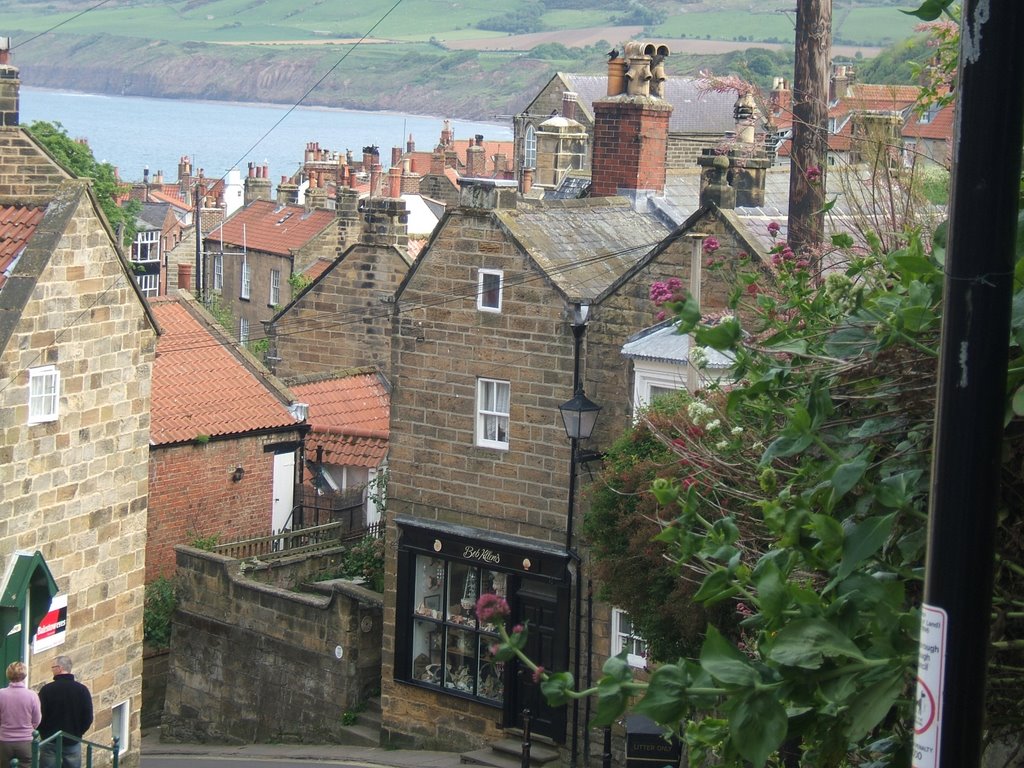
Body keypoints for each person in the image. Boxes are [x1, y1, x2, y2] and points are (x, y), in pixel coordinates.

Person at [38, 656, 93, 768]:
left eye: (53, 667)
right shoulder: (82, 690)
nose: (52, 670)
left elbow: (39, 715)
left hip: (50, 738)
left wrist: (43, 732)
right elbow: (88, 716)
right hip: (72, 738)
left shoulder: (47, 690)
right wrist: (78, 732)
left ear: (59, 668)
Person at [0, 661, 42, 768]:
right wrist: (28, 728)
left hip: (4, 741)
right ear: (24, 675)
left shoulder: (1, 694)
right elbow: (37, 719)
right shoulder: (32, 695)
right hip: (26, 741)